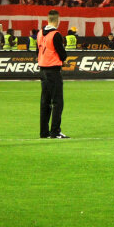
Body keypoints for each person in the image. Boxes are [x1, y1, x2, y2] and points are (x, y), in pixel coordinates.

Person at [37, 10, 69, 139]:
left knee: (45, 102)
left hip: (43, 70)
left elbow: (37, 51)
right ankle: (55, 131)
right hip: (53, 71)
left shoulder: (40, 33)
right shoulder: (56, 34)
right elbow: (62, 54)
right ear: (57, 20)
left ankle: (44, 132)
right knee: (57, 102)